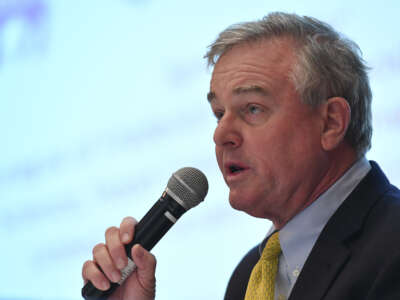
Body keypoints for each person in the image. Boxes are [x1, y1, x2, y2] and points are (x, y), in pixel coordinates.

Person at [81, 12, 400, 300]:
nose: (220, 135)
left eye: (252, 108)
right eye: (219, 114)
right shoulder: (247, 277)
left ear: (330, 123)